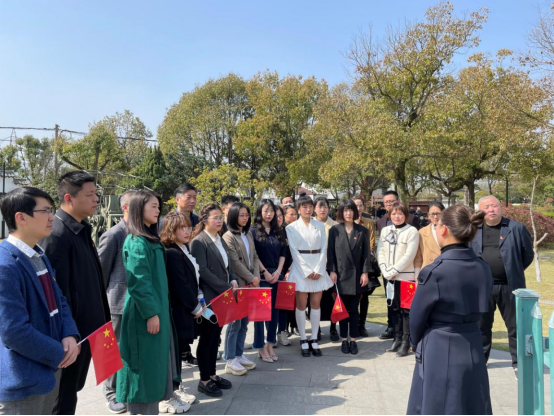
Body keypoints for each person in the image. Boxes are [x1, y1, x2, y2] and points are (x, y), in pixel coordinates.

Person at [0, 187, 80, 415]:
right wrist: (58, 353)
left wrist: (70, 334)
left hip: (49, 372)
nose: (52, 217)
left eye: (51, 210)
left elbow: (58, 299)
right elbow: (14, 331)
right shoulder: (5, 265)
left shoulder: (37, 254)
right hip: (23, 381)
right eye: (45, 211)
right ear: (21, 218)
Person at [408, 206, 493, 415]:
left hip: (440, 343)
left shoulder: (435, 271)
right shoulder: (483, 267)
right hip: (473, 341)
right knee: (473, 403)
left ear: (444, 229)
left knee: (438, 404)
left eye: (437, 225)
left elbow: (417, 318)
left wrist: (415, 343)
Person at [40, 171, 110, 415]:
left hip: (87, 332)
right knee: (62, 398)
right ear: (69, 198)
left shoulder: (80, 229)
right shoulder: (57, 234)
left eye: (96, 194)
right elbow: (54, 294)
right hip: (71, 336)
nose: (96, 199)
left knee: (72, 391)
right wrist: (66, 333)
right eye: (90, 194)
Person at [117, 191, 183, 415]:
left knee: (154, 368)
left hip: (157, 311)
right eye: (153, 206)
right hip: (144, 315)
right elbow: (139, 282)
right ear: (138, 208)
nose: (158, 210)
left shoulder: (147, 238)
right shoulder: (137, 241)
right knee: (143, 371)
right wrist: (151, 313)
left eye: (158, 206)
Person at [471, 196, 534, 376]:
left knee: (515, 326)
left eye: (494, 206)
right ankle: (481, 360)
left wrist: (513, 269)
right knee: (482, 326)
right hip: (483, 287)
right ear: (480, 210)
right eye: (486, 207)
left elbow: (527, 255)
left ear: (501, 207)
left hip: (510, 286)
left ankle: (518, 363)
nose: (491, 209)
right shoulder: (474, 229)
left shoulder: (516, 228)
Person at [161, 212, 207, 409]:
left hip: (188, 306)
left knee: (179, 350)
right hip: (179, 310)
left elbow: (193, 279)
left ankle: (176, 388)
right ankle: (172, 391)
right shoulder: (171, 252)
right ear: (171, 230)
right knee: (176, 351)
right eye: (182, 228)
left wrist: (199, 296)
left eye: (189, 227)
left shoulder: (183, 248)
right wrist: (195, 306)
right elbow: (179, 284)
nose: (187, 231)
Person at [190, 204, 237, 398]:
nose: (219, 221)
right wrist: (225, 287)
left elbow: (227, 265)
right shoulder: (199, 241)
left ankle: (212, 374)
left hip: (222, 295)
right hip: (209, 298)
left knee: (215, 337)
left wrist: (232, 279)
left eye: (220, 217)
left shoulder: (220, 239)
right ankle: (204, 380)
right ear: (204, 220)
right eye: (215, 217)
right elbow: (202, 271)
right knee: (207, 339)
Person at [98, 190, 136, 414]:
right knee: (114, 350)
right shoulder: (113, 235)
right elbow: (101, 273)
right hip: (117, 303)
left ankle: (126, 388)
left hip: (137, 305)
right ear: (125, 207)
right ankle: (111, 393)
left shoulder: (143, 232)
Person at [286, 195, 334, 358]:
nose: (308, 209)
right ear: (299, 209)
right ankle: (303, 338)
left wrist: (319, 269)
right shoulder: (291, 228)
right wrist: (307, 271)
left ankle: (314, 338)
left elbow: (324, 248)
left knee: (315, 304)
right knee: (301, 305)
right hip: (300, 269)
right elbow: (294, 251)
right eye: (304, 207)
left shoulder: (319, 225)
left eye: (310, 206)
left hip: (318, 266)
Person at [327, 199, 372, 355]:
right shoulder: (334, 230)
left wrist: (365, 272)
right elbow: (330, 253)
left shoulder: (362, 231)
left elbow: (366, 255)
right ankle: (343, 339)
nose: (348, 213)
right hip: (340, 275)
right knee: (342, 309)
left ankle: (353, 339)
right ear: (341, 212)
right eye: (345, 210)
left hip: (356, 276)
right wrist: (332, 270)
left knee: (354, 310)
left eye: (351, 210)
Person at [377, 202, 420, 358]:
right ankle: (397, 338)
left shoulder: (412, 231)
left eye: (400, 213)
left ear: (406, 215)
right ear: (389, 215)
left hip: (406, 277)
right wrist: (385, 270)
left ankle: (406, 342)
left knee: (406, 311)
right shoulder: (386, 231)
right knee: (394, 309)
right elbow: (380, 250)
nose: (397, 216)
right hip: (389, 277)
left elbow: (409, 254)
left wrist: (394, 271)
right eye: (394, 213)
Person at [222, 203, 259, 375]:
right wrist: (251, 278)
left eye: (247, 215)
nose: (245, 218)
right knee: (234, 322)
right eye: (241, 215)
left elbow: (255, 257)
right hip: (239, 284)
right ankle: (230, 359)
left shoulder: (247, 233)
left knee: (244, 321)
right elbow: (235, 263)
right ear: (233, 216)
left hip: (250, 284)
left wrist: (255, 276)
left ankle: (239, 354)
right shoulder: (228, 236)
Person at [250, 200, 288, 361]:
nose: (269, 214)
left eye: (271, 210)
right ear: (260, 212)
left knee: (274, 312)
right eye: (266, 210)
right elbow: (254, 255)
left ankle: (270, 344)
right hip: (261, 276)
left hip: (277, 275)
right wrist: (264, 272)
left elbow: (283, 253)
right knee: (260, 314)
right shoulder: (253, 231)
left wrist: (278, 271)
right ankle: (260, 347)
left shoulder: (278, 230)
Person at [313, 196, 339, 342]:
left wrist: (333, 268)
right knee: (315, 299)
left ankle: (333, 328)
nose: (322, 209)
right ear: (314, 208)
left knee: (332, 299)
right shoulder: (310, 223)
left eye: (325, 207)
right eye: (319, 206)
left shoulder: (335, 226)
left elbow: (337, 249)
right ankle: (316, 329)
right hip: (314, 268)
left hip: (330, 268)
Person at [352, 195, 377, 338]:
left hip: (365, 263)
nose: (358, 208)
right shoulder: (344, 223)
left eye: (360, 205)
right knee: (352, 297)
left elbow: (371, 244)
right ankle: (353, 324)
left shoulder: (369, 222)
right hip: (350, 265)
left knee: (365, 296)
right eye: (355, 205)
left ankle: (362, 325)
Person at [414, 202, 445, 272]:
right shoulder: (422, 232)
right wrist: (417, 273)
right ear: (428, 215)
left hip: (446, 270)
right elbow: (418, 257)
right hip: (428, 271)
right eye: (433, 214)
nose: (435, 217)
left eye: (438, 213)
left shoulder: (450, 230)